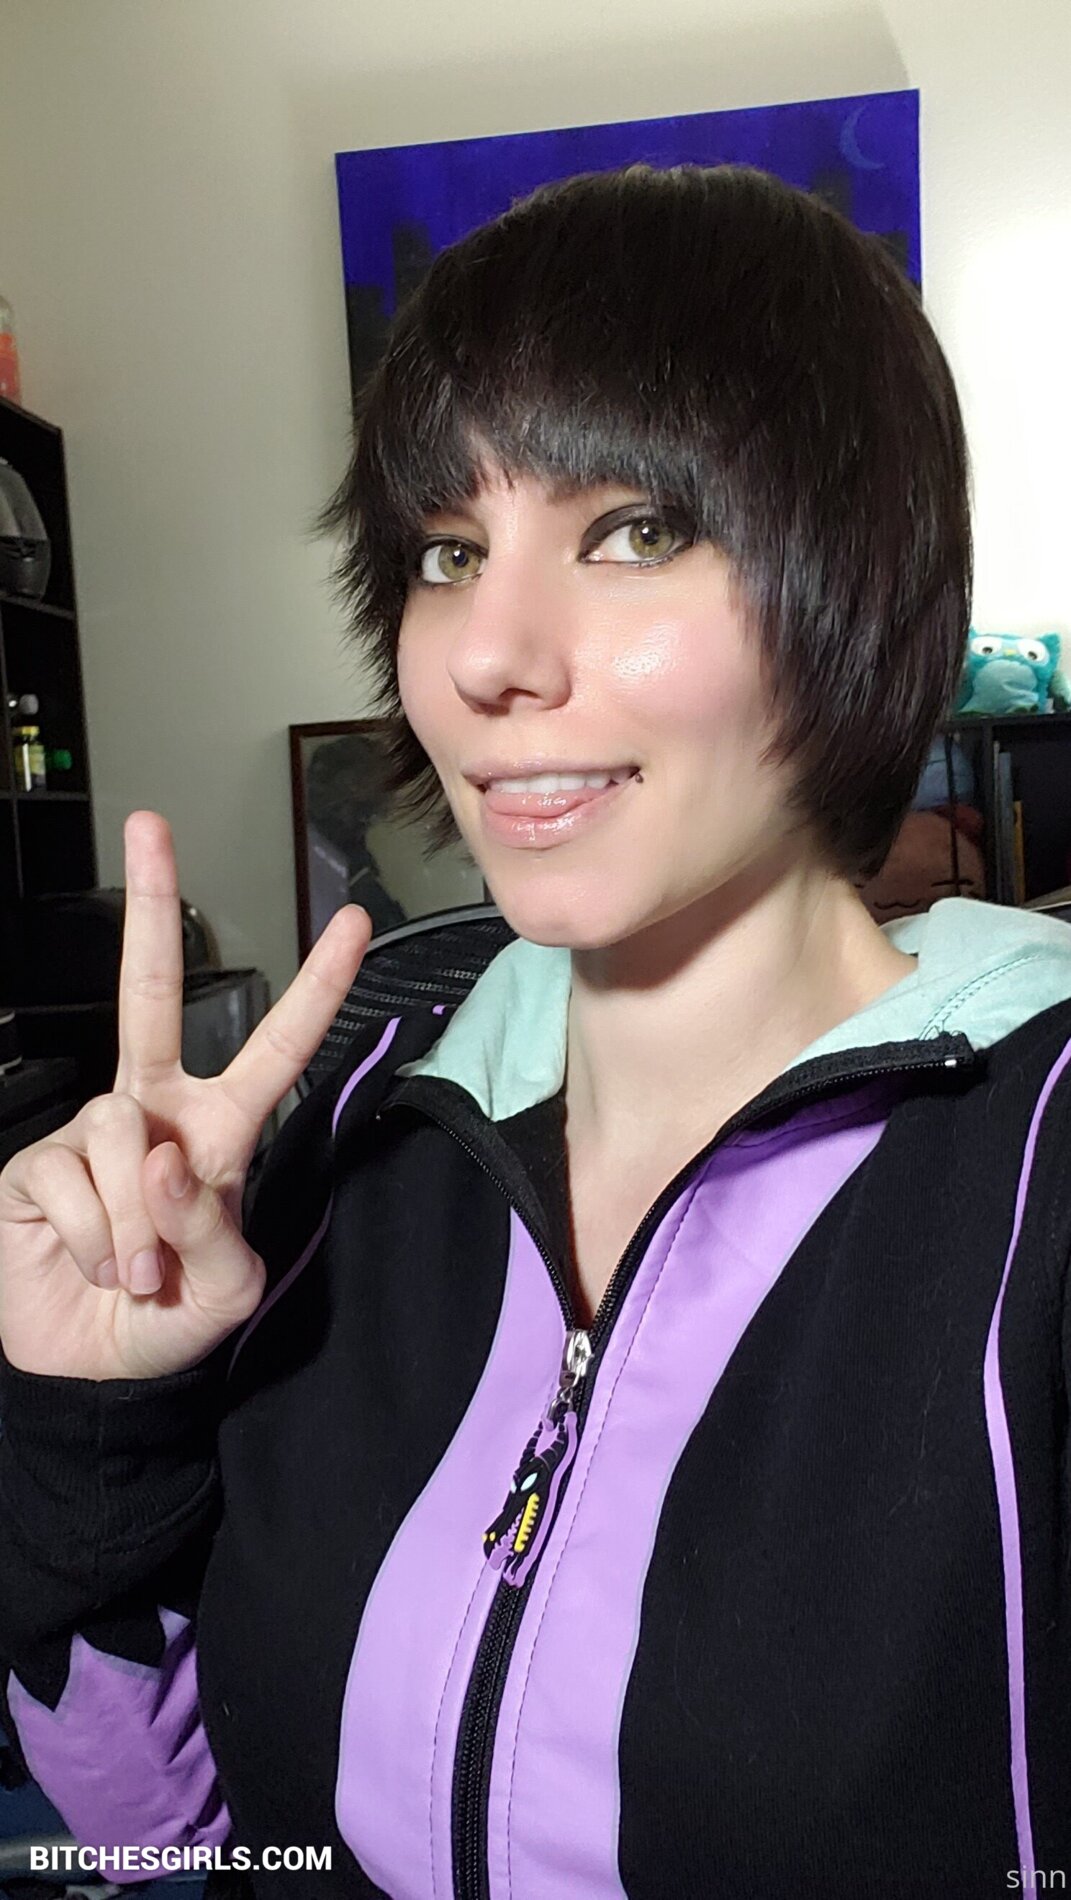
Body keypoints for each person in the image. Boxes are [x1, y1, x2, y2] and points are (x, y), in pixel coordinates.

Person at [1, 161, 1070, 1900]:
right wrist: (94, 1420)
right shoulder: (356, 1123)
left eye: (634, 531)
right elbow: (185, 1846)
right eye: (446, 551)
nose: (484, 657)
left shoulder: (1041, 1166)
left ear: (860, 576)